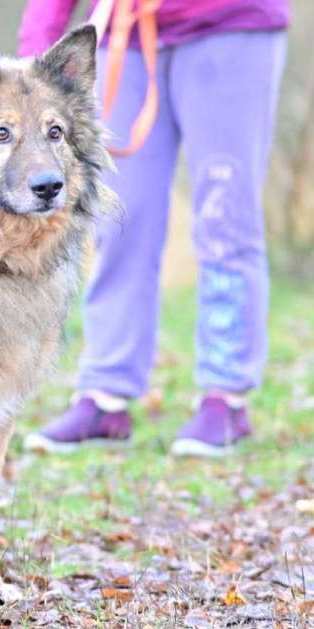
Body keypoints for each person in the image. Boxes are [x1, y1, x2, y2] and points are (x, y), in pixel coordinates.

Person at [18, 0, 290, 457]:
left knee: (225, 213)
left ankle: (226, 396)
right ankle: (106, 394)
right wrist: (34, 55)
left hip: (229, 25)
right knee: (119, 218)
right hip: (119, 33)